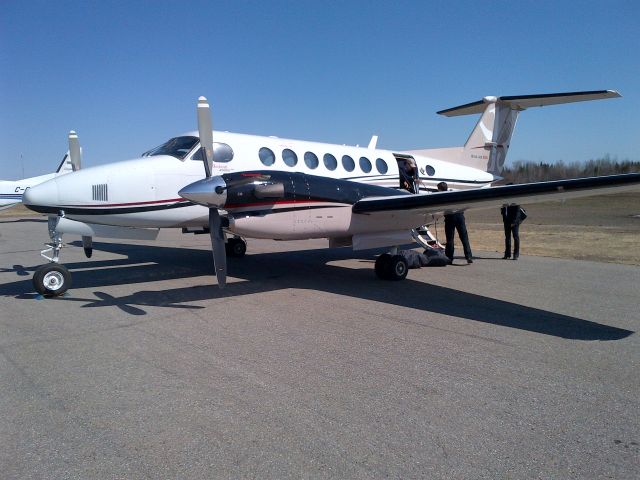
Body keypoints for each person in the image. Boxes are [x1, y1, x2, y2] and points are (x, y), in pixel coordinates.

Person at [437, 181, 473, 264]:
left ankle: (449, 257)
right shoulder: (453, 193)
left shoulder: (442, 196)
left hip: (450, 218)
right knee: (464, 238)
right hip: (460, 217)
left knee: (450, 239)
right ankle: (469, 256)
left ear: (440, 189)